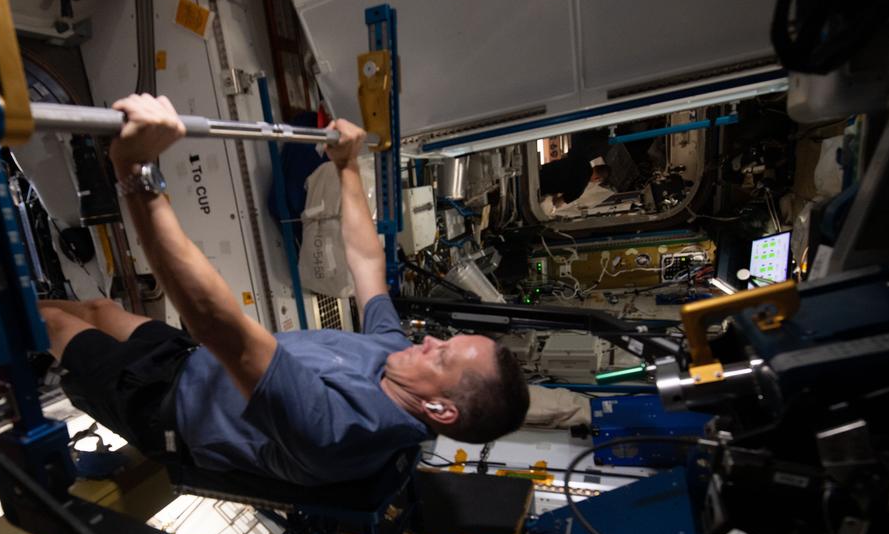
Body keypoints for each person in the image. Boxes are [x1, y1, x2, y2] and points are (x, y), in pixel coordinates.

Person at [40, 94, 529, 486]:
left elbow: (217, 322)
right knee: (99, 308)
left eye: (440, 357)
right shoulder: (397, 359)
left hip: (163, 406)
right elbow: (365, 263)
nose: (427, 342)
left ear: (439, 409)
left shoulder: (340, 430)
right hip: (191, 363)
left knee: (56, 324)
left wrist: (136, 172)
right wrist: (346, 166)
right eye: (443, 342)